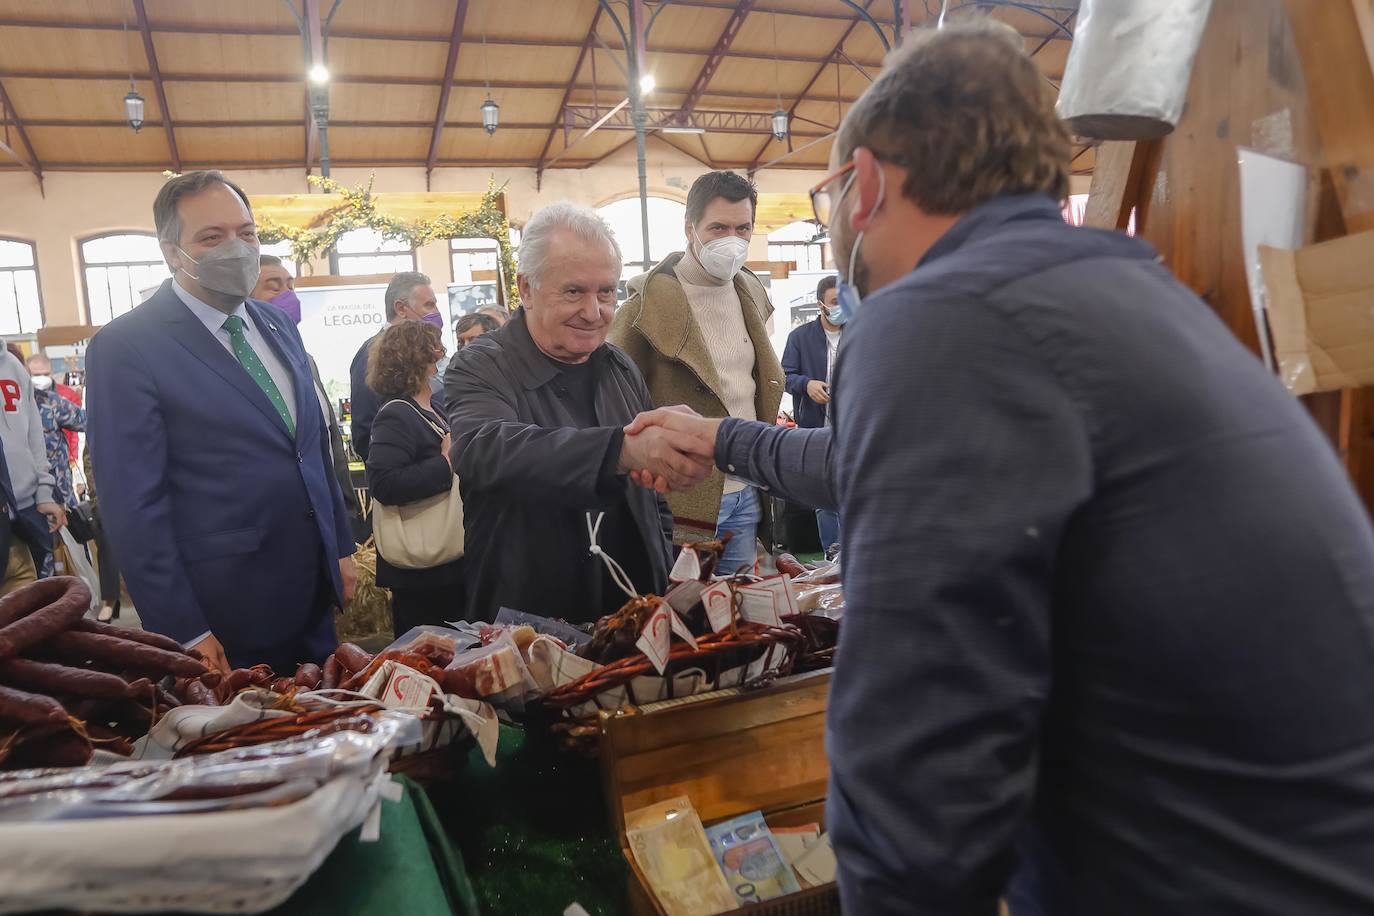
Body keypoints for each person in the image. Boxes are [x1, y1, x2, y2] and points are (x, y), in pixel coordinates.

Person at [623, 21, 1374, 916]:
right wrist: (721, 439)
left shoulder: (940, 318)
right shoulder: (1118, 295)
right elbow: (870, 464)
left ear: (864, 184)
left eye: (828, 188)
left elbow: (919, 756)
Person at [87, 170, 357, 674]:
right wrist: (181, 626)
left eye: (246, 233)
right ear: (172, 252)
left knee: (332, 733)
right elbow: (131, 503)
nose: (236, 248)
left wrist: (339, 546)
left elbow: (311, 444)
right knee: (252, 746)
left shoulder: (274, 323)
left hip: (312, 594)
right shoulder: (126, 346)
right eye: (212, 237)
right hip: (225, 613)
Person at [445, 202, 690, 624]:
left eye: (607, 292)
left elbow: (654, 498)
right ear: (525, 289)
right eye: (574, 291)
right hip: (531, 622)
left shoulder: (619, 365)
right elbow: (484, 448)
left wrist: (665, 559)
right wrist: (621, 450)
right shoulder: (482, 364)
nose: (594, 313)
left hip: (635, 609)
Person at [609, 170, 785, 574]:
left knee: (741, 622)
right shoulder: (643, 307)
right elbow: (615, 401)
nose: (732, 240)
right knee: (684, 620)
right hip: (682, 495)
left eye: (743, 228)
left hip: (748, 486)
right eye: (718, 227)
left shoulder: (751, 291)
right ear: (690, 228)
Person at [364, 321, 465, 636]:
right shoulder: (396, 414)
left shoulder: (431, 408)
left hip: (445, 567)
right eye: (435, 350)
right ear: (420, 358)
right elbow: (384, 483)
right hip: (422, 572)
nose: (441, 357)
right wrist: (445, 464)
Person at [253, 255, 362, 541]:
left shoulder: (306, 360)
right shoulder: (247, 366)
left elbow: (329, 435)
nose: (288, 295)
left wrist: (346, 505)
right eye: (274, 287)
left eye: (290, 285)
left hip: (330, 515)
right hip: (283, 527)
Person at [349, 272, 443, 460]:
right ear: (401, 308)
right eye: (429, 305)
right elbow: (365, 433)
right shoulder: (372, 354)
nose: (436, 313)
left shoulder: (419, 352)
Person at [780, 275, 842, 554]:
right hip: (815, 428)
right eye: (835, 302)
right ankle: (833, 558)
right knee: (824, 500)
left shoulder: (862, 332)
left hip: (854, 427)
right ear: (820, 304)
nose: (842, 307)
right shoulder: (799, 338)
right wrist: (807, 384)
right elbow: (784, 376)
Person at [0, 347, 64, 595]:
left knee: (39, 608)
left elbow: (34, 434)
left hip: (28, 510)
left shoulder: (13, 367)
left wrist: (44, 490)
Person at [26, 353, 84, 576]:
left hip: (59, 493)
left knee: (71, 549)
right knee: (40, 560)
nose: (39, 379)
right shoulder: (17, 404)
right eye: (34, 375)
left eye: (44, 374)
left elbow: (85, 420)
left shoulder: (51, 401)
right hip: (24, 499)